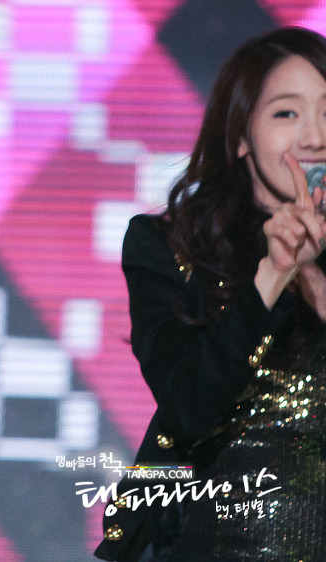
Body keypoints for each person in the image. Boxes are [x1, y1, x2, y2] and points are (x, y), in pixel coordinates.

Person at [95, 27, 326, 561]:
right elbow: (189, 407)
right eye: (287, 113)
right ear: (240, 136)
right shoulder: (170, 247)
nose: (315, 136)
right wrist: (274, 276)